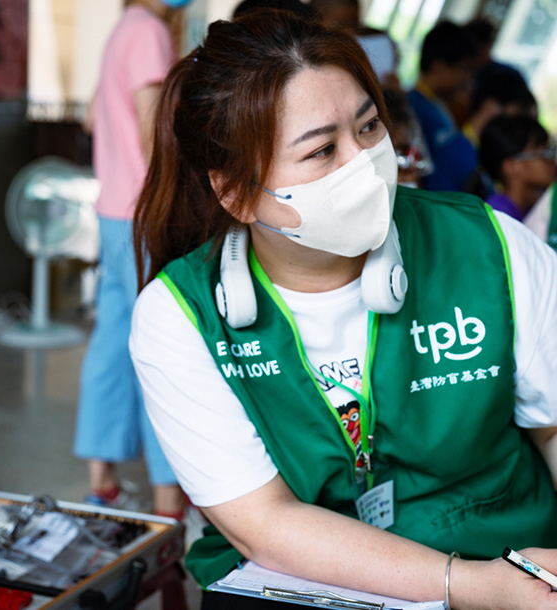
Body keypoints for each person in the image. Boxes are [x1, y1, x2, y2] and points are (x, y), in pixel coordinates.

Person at [130, 11, 557, 609]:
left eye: (369, 126)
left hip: (509, 557)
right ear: (236, 193)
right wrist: (466, 586)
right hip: (308, 580)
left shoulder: (490, 247)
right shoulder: (180, 316)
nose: (365, 163)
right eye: (322, 150)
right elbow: (263, 521)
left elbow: (552, 427)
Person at [74, 0, 188, 518]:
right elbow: (150, 126)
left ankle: (102, 482)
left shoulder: (124, 29)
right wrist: (176, 201)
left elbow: (91, 118)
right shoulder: (149, 33)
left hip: (114, 214)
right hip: (145, 214)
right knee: (163, 349)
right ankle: (169, 500)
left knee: (113, 344)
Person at [407, 21, 480, 192]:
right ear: (438, 67)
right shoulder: (413, 107)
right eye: (464, 69)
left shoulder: (439, 106)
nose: (467, 79)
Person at [479, 114, 556, 222]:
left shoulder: (529, 207)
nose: (552, 160)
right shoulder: (498, 217)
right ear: (511, 168)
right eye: (543, 154)